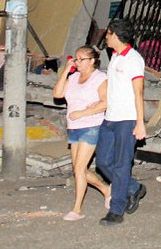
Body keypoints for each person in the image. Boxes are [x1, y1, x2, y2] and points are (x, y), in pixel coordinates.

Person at [95, 18, 147, 226]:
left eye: (107, 34)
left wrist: (140, 122)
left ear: (115, 35)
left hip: (127, 119)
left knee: (121, 165)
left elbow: (139, 91)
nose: (105, 37)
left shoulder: (134, 59)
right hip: (110, 118)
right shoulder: (115, 55)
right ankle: (133, 187)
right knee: (102, 162)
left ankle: (116, 210)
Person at [52, 45, 111, 221]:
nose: (77, 62)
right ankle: (106, 190)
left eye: (81, 59)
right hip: (74, 127)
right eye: (76, 59)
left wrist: (83, 113)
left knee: (79, 168)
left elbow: (106, 102)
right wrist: (66, 71)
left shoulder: (100, 79)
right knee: (79, 169)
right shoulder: (74, 77)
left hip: (91, 126)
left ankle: (77, 209)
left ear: (92, 61)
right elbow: (57, 93)